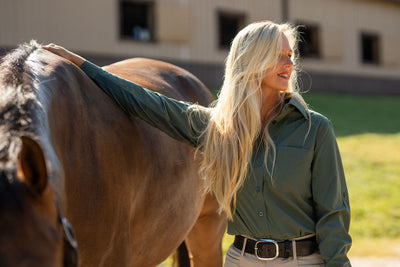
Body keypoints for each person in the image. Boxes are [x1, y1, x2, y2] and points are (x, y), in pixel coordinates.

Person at [43, 20, 351, 267]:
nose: (288, 65)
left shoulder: (314, 129)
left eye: (290, 56)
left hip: (304, 261)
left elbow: (333, 212)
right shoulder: (217, 129)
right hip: (242, 260)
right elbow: (148, 104)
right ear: (252, 59)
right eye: (278, 56)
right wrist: (84, 66)